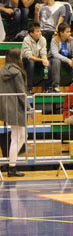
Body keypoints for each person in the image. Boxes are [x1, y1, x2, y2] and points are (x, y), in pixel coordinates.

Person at [0, 48, 29, 177]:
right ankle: (12, 166)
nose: (22, 58)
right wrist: (28, 107)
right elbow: (21, 92)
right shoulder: (17, 72)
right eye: (20, 56)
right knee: (18, 137)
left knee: (20, 136)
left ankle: (11, 162)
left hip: (6, 106)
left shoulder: (2, 70)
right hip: (17, 107)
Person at [49, 23, 73, 92]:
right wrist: (68, 61)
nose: (70, 33)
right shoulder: (54, 40)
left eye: (70, 31)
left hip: (68, 60)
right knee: (56, 61)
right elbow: (55, 54)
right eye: (67, 32)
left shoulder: (71, 39)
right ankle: (55, 86)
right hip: (56, 60)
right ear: (61, 33)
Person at [21, 23, 49, 93]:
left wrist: (45, 60)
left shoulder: (42, 39)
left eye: (40, 31)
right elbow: (29, 56)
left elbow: (43, 52)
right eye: (37, 31)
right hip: (26, 60)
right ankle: (29, 89)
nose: (40, 33)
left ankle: (47, 88)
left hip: (38, 59)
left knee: (49, 64)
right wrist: (42, 60)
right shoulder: (26, 40)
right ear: (31, 33)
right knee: (31, 63)